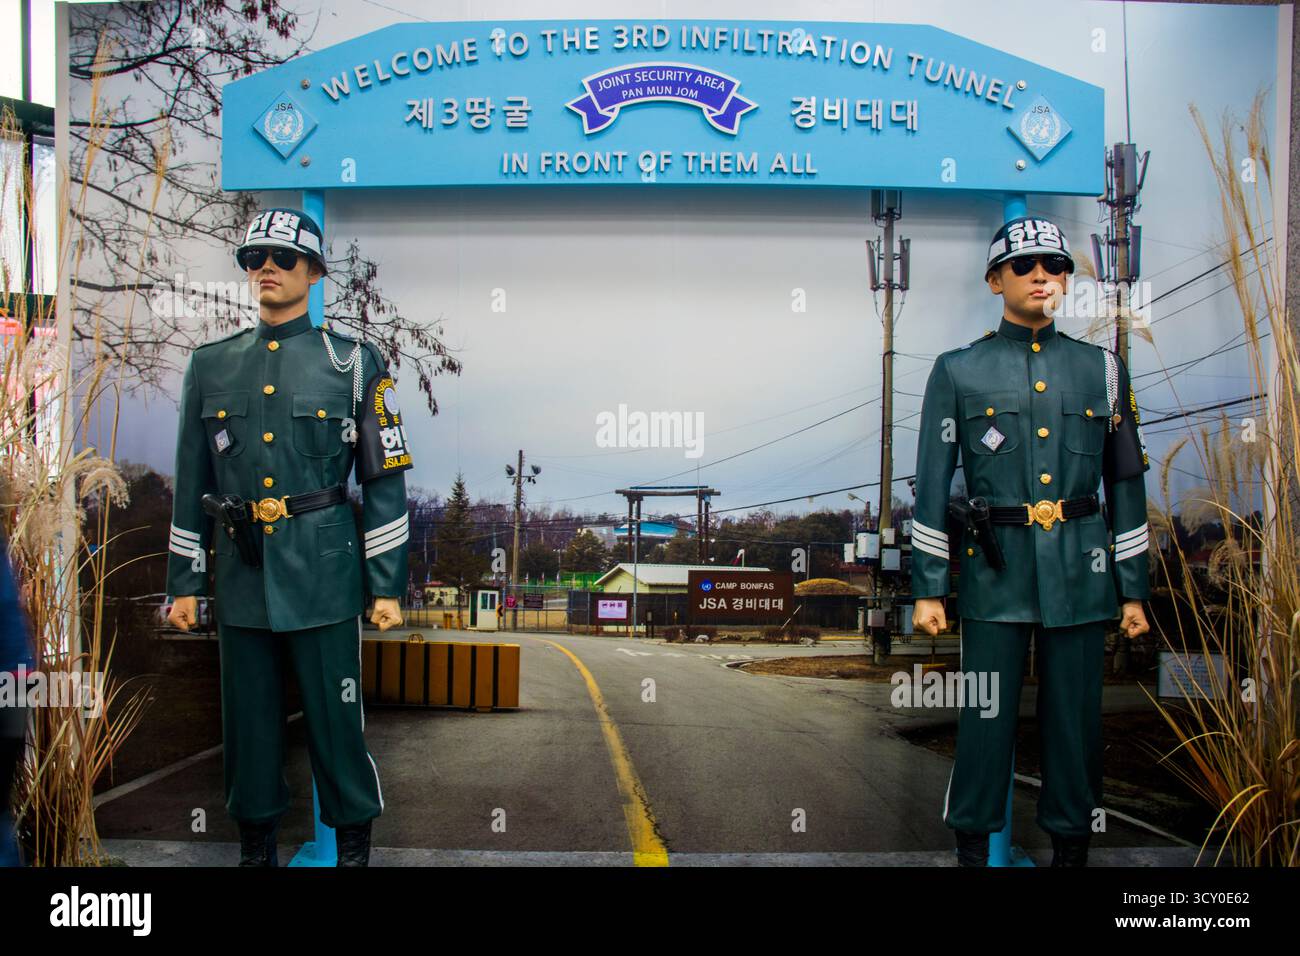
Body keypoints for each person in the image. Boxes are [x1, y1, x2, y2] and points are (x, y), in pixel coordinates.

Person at [166, 208, 413, 866]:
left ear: (312, 270)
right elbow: (192, 482)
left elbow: (384, 479)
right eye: (254, 259)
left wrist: (385, 586)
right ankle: (257, 854)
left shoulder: (356, 364)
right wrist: (182, 585)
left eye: (280, 256)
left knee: (336, 725)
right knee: (249, 729)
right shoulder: (210, 366)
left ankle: (354, 851)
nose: (266, 268)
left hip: (325, 572)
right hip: (242, 575)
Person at [909, 216, 1151, 867]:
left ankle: (1071, 853)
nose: (1042, 274)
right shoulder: (959, 371)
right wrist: (930, 588)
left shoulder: (1102, 371)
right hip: (995, 574)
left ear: (1068, 279)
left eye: (1056, 264)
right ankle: (970, 850)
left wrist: (1134, 589)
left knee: (1075, 727)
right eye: (1024, 265)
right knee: (983, 724)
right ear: (995, 280)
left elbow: (1124, 482)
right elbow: (931, 485)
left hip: (1081, 573)